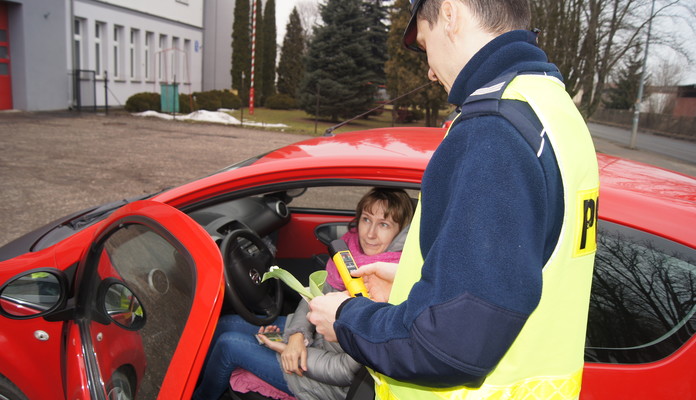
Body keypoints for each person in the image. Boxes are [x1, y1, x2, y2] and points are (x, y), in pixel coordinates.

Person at [307, 0, 600, 399]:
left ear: (449, 12)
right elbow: (518, 270)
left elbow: (446, 345)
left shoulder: (493, 133)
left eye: (425, 44)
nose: (428, 70)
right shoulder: (553, 109)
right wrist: (412, 283)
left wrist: (345, 318)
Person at [192, 187, 414, 400]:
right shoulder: (347, 252)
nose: (371, 234)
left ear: (400, 233)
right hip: (311, 338)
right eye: (366, 219)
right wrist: (298, 336)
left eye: (384, 224)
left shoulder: (389, 283)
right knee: (226, 324)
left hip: (325, 381)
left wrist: (286, 348)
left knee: (229, 345)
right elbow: (311, 296)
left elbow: (345, 371)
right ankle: (192, 379)